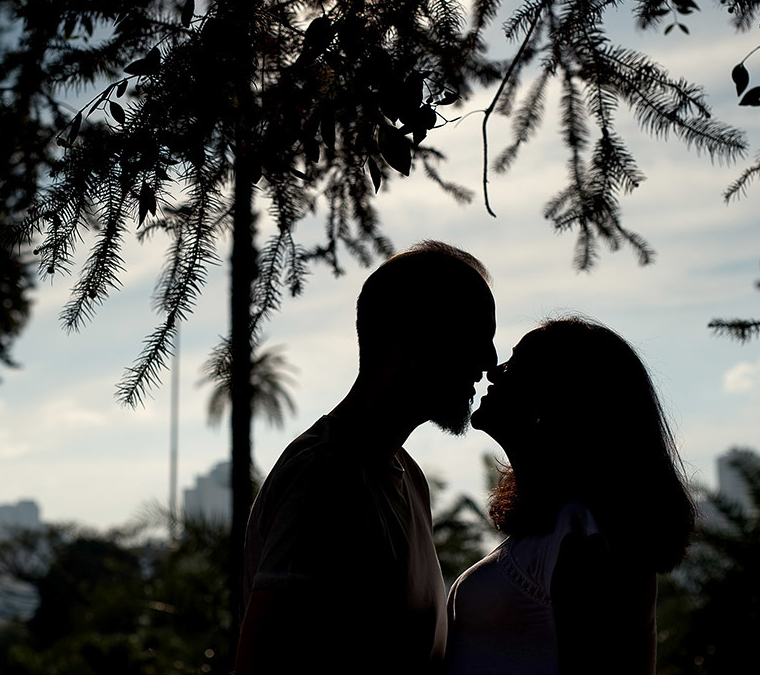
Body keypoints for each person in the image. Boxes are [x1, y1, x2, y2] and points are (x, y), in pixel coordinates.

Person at [235, 241, 499, 675]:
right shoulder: (323, 478)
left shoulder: (406, 476)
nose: (489, 361)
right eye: (474, 335)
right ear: (414, 338)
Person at [444, 317, 696, 675]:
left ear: (559, 397)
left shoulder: (582, 536)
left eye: (514, 365)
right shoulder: (562, 527)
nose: (493, 374)